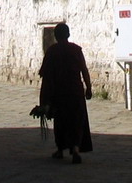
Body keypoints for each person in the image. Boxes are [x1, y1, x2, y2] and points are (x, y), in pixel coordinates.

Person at [38, 22, 93, 163]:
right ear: (68, 34)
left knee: (61, 121)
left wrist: (44, 99)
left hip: (59, 92)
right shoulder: (76, 50)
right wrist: (88, 87)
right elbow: (84, 69)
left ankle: (60, 150)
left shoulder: (52, 51)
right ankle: (75, 149)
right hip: (75, 91)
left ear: (55, 36)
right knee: (76, 120)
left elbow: (45, 75)